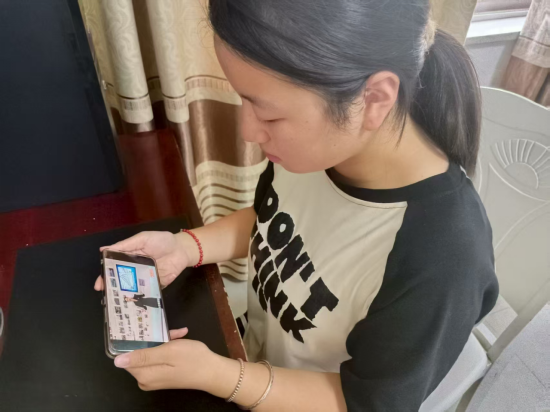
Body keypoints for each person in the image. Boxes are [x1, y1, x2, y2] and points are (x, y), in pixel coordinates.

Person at [94, 0, 499, 410]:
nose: (249, 131)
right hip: (253, 361)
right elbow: (270, 218)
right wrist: (185, 246)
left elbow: (365, 403)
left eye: (269, 116)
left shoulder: (443, 258)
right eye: (244, 100)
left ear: (374, 98)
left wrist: (219, 375)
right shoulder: (320, 151)